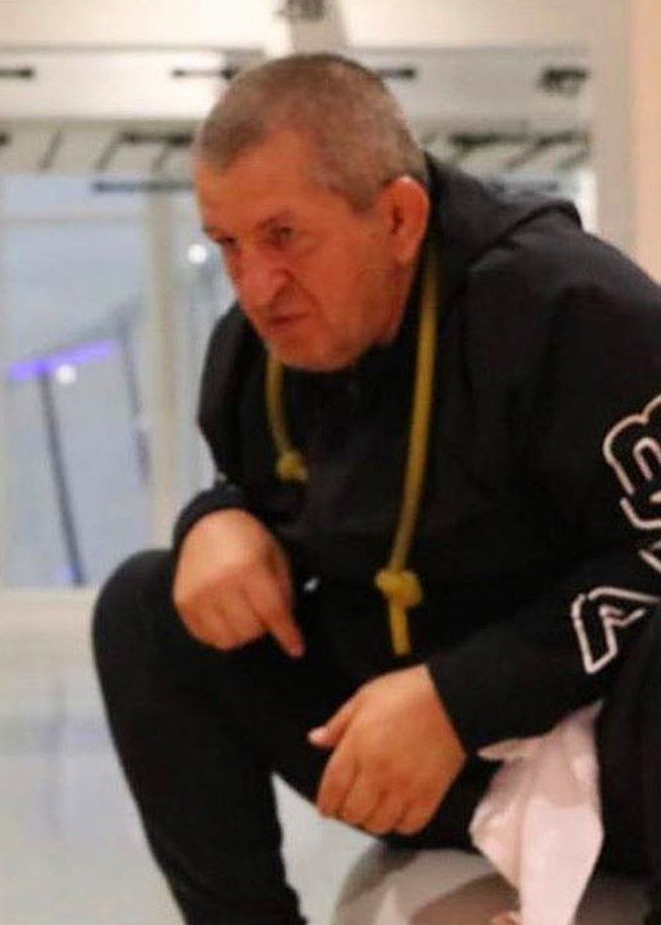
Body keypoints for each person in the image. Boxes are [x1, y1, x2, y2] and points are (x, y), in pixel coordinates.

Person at [92, 53, 661, 923]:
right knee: (144, 606)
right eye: (228, 245)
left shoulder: (572, 308)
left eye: (284, 236)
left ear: (399, 217)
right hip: (410, 765)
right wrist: (218, 516)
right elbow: (267, 499)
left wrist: (461, 698)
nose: (256, 287)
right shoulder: (254, 352)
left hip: (615, 764)